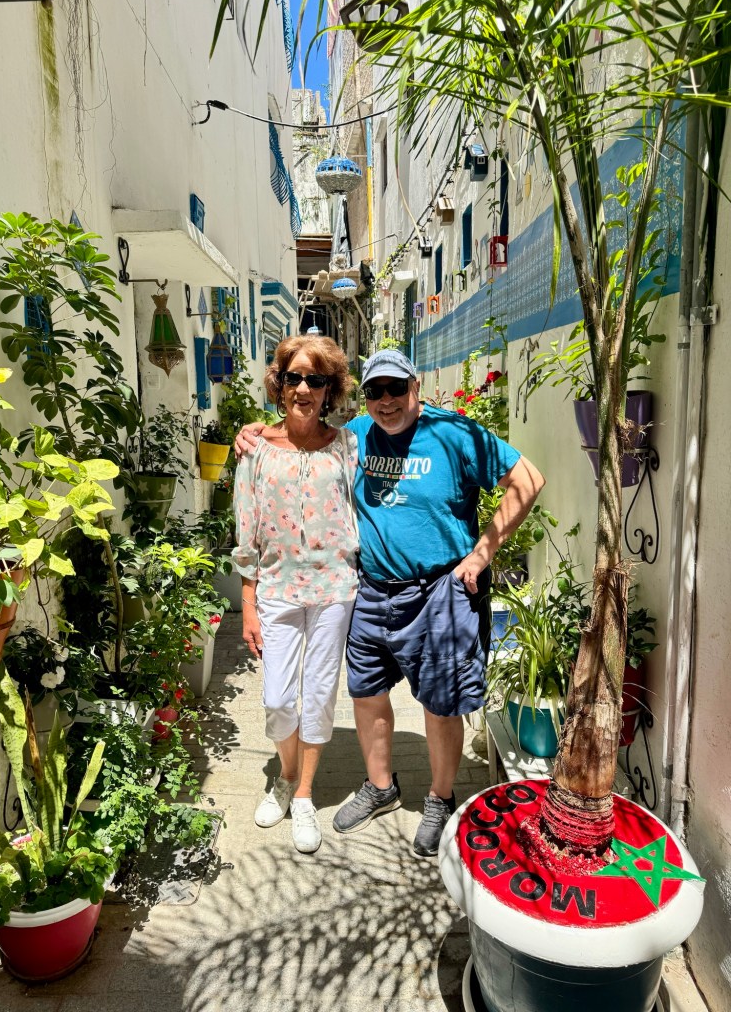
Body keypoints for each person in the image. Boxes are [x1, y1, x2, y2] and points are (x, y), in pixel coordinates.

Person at [237, 348, 544, 858]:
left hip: (438, 590)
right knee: (367, 694)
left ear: (414, 386)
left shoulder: (454, 433)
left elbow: (527, 480)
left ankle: (440, 798)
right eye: (375, 391)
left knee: (439, 703)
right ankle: (381, 787)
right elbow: (300, 434)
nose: (386, 400)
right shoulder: (356, 436)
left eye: (396, 388)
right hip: (372, 590)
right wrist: (253, 431)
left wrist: (482, 553)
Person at [232, 335, 358, 854]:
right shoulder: (255, 448)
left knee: (320, 693)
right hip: (277, 589)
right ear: (279, 385)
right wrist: (248, 604)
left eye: (316, 380)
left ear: (330, 390)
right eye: (294, 378)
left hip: (334, 588)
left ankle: (303, 793)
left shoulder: (348, 445)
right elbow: (245, 528)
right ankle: (285, 775)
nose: (303, 389)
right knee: (278, 699)